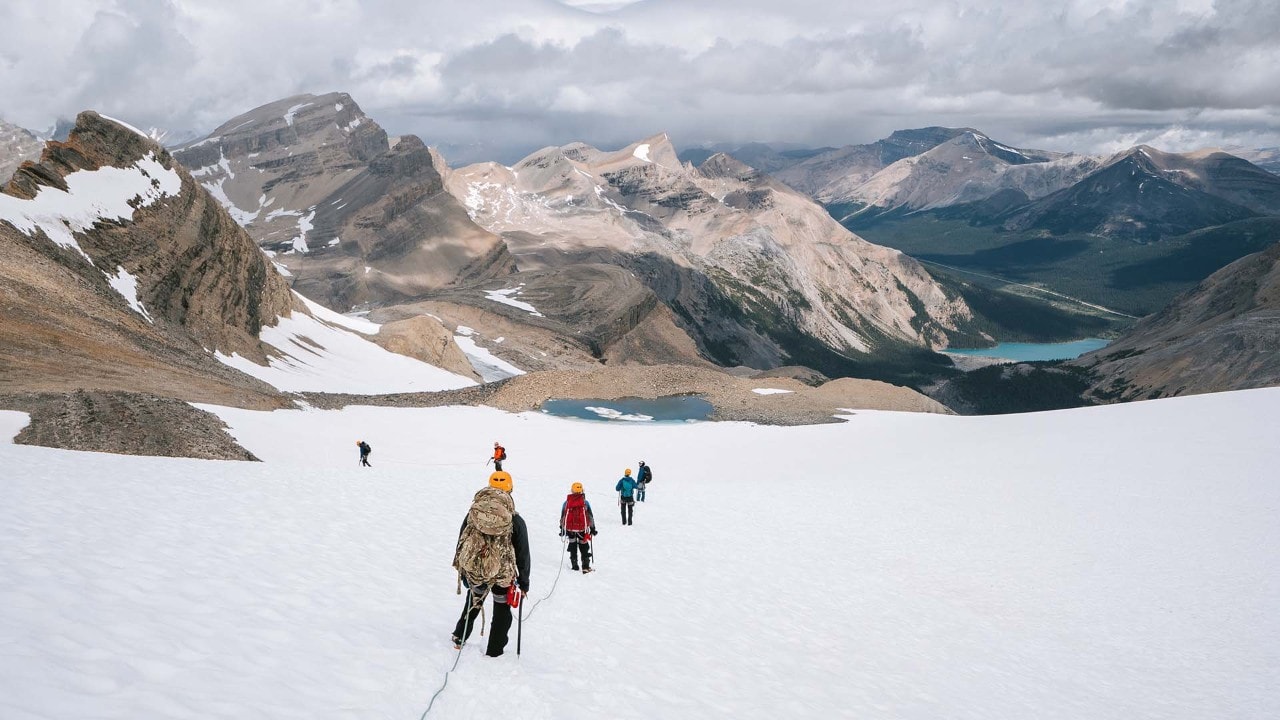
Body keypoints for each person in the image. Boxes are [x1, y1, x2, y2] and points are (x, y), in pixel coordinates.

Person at [450, 471, 530, 656]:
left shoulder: (473, 513)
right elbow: (523, 554)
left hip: (476, 571)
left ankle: (459, 637)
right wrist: (524, 582)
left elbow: (462, 540)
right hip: (502, 576)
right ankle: (494, 650)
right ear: (510, 489)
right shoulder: (515, 520)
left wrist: (463, 570)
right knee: (502, 610)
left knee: (473, 601)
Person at [559, 482, 597, 573]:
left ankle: (574, 565)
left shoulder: (567, 502)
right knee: (584, 547)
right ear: (582, 491)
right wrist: (593, 528)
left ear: (572, 490)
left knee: (572, 546)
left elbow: (563, 516)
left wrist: (562, 528)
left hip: (570, 530)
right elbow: (590, 516)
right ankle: (585, 567)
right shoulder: (585, 503)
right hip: (582, 530)